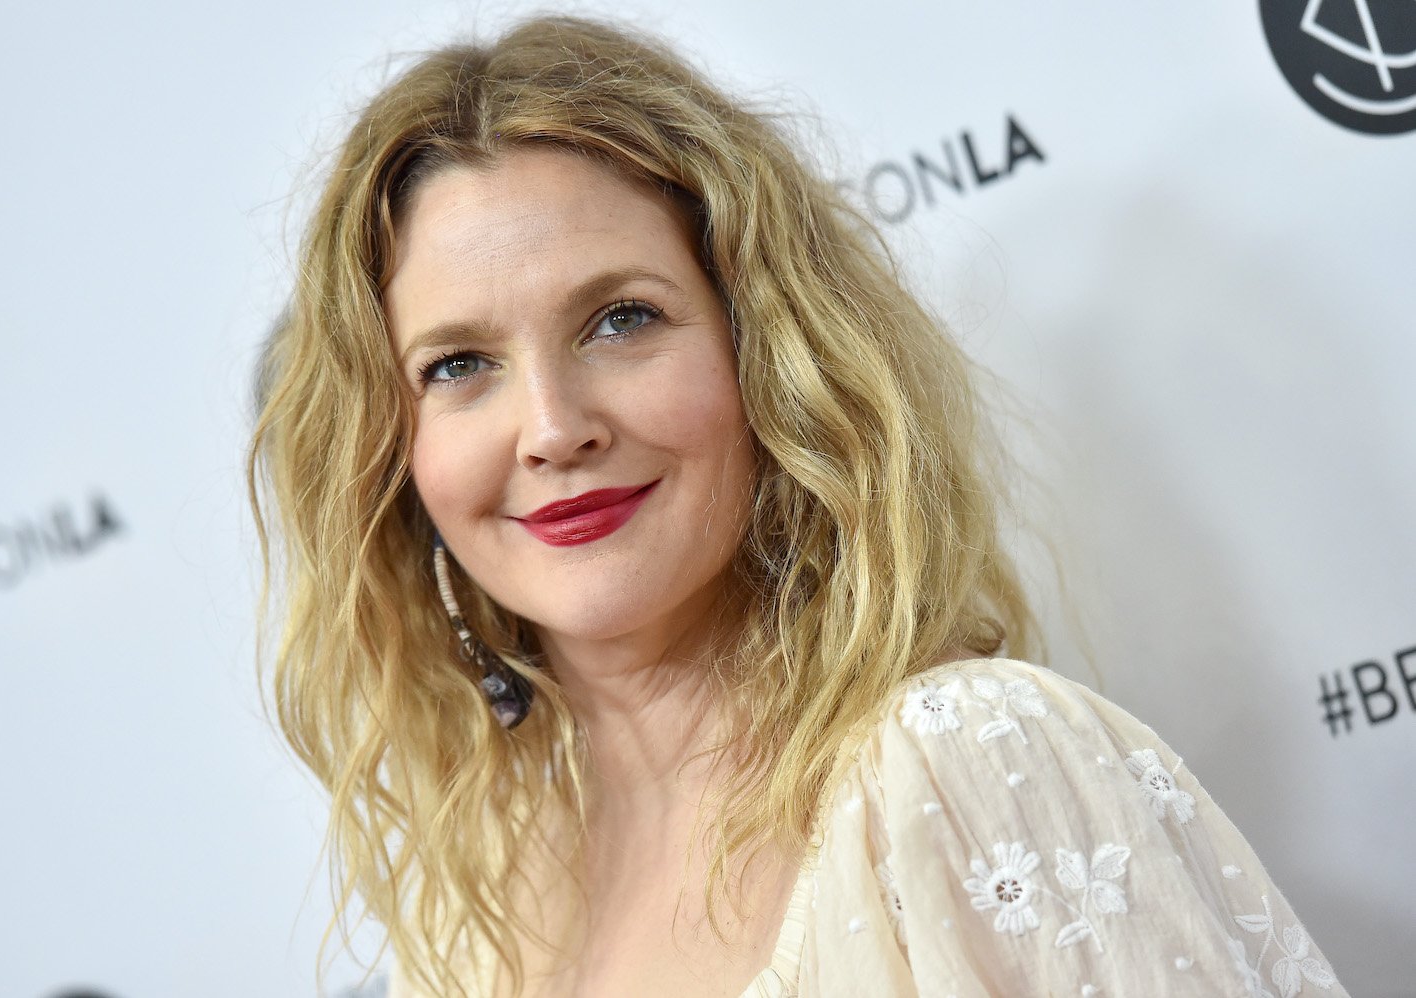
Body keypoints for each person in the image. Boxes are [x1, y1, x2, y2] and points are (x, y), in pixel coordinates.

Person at [248, 14, 1345, 998]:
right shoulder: (468, 898)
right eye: (457, 365)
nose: (550, 425)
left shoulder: (963, 770)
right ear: (392, 454)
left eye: (621, 320)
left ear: (768, 354)